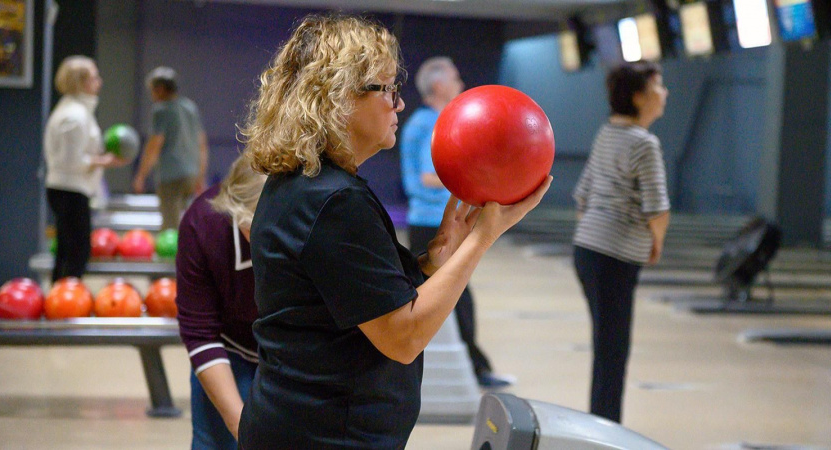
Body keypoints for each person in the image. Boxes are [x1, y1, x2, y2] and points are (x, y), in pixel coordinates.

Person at [237, 14, 551, 449]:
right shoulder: (335, 202)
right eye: (386, 89)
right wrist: (484, 237)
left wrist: (433, 261)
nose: (398, 104)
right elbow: (402, 337)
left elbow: (355, 301)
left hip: (302, 426)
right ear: (338, 98)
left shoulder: (303, 184)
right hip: (324, 436)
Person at [400, 56, 513, 389]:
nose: (461, 84)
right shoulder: (430, 122)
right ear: (438, 86)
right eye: (455, 78)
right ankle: (476, 368)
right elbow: (428, 176)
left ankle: (475, 366)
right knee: (454, 295)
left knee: (453, 294)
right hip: (433, 221)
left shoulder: (428, 121)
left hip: (433, 220)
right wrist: (477, 178)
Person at [572, 60, 671, 424]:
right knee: (613, 350)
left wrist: (594, 236)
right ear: (639, 97)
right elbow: (657, 208)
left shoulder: (606, 133)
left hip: (587, 252)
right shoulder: (644, 144)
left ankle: (603, 423)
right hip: (613, 257)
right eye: (658, 87)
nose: (664, 94)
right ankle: (605, 429)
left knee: (607, 346)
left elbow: (582, 194)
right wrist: (656, 243)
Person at [175, 156, 266, 448]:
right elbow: (200, 333)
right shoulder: (202, 225)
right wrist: (239, 425)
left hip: (290, 351)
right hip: (229, 345)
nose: (270, 243)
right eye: (257, 231)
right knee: (215, 441)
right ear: (236, 214)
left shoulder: (317, 226)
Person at [44, 55, 126, 282]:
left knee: (68, 251)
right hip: (69, 190)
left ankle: (60, 302)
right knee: (76, 253)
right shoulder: (75, 115)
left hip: (68, 189)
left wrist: (101, 159)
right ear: (81, 82)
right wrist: (105, 161)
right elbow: (71, 161)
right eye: (94, 77)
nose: (99, 81)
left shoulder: (75, 110)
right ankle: (64, 306)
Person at [133, 66, 209, 231]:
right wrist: (201, 175)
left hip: (170, 175)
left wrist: (141, 175)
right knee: (189, 223)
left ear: (159, 89)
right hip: (191, 173)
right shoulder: (190, 107)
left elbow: (154, 145)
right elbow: (202, 143)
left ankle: (171, 257)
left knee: (170, 227)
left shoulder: (161, 110)